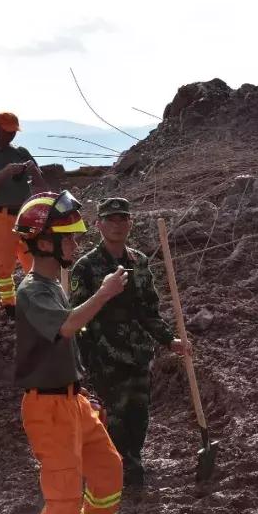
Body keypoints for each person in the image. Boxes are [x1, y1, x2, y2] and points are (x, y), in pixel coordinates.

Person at [14, 190, 140, 514]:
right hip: (48, 408)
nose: (75, 244)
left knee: (107, 468)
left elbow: (61, 344)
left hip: (70, 400)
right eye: (68, 237)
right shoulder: (33, 289)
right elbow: (65, 329)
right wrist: (103, 293)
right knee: (64, 493)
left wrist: (77, 384)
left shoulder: (51, 285)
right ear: (44, 241)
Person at [69, 198, 192, 488]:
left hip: (138, 352)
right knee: (113, 416)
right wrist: (79, 360)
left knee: (138, 413)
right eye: (110, 220)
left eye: (122, 219)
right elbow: (76, 317)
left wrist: (168, 339)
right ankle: (110, 471)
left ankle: (132, 466)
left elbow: (149, 309)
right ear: (98, 224)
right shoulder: (85, 267)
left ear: (130, 224)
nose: (116, 225)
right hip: (103, 354)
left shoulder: (139, 261)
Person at [0, 112, 45, 318]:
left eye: (14, 132)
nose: (11, 136)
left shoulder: (21, 152)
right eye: (7, 132)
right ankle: (9, 305)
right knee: (4, 263)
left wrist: (33, 171)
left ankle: (38, 298)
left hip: (25, 214)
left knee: (35, 258)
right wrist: (5, 172)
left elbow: (41, 184)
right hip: (0, 215)